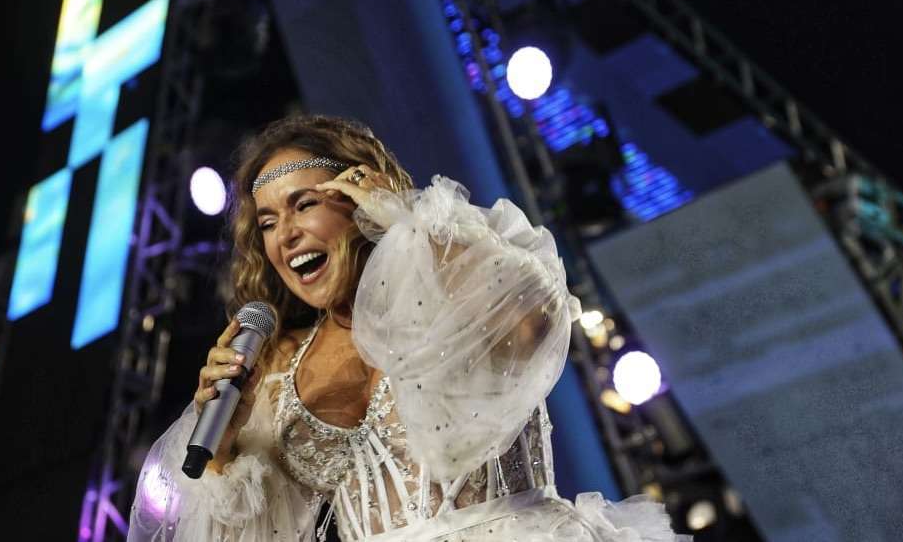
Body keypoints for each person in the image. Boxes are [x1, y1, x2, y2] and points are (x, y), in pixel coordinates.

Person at [128, 115, 689, 541]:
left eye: (304, 206)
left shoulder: (457, 278)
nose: (285, 235)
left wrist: (401, 214)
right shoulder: (275, 365)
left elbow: (532, 323)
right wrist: (224, 448)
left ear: (356, 199)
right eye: (269, 222)